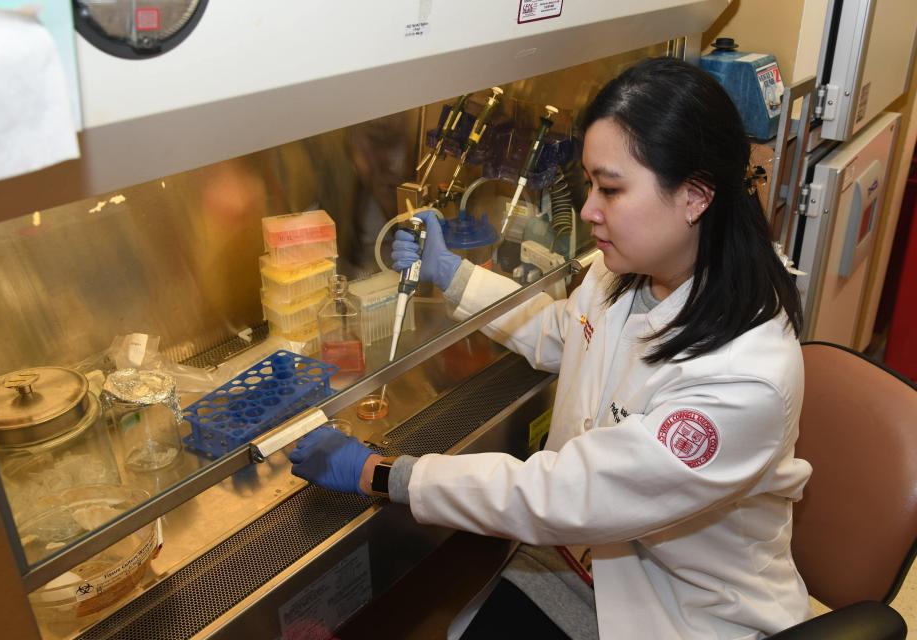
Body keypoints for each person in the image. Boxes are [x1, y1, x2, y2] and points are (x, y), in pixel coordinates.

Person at [289, 56, 812, 639]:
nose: (589, 209)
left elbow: (565, 493)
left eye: (610, 189)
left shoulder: (744, 379)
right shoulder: (627, 271)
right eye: (590, 184)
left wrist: (380, 473)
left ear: (694, 196)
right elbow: (566, 333)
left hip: (681, 612)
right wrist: (453, 274)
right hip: (583, 558)